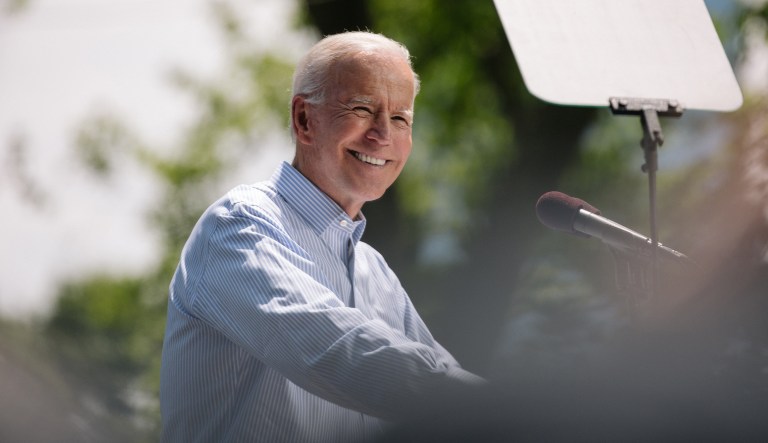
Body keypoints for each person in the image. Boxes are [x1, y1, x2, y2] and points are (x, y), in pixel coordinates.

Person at [159, 31, 484, 443]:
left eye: (401, 118)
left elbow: (442, 380)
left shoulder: (375, 272)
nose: (383, 134)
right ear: (304, 120)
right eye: (363, 108)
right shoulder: (240, 225)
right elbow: (335, 351)